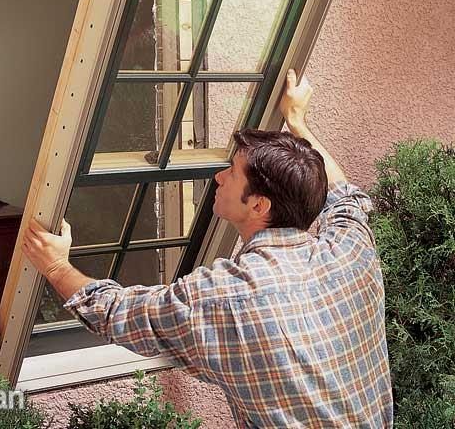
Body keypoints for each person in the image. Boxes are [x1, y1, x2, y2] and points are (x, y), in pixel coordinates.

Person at [22, 69, 393, 428]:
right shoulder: (350, 252)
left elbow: (115, 313)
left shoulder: (226, 296)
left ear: (259, 205)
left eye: (232, 172)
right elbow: (346, 198)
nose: (218, 176)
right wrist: (297, 122)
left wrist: (55, 267)